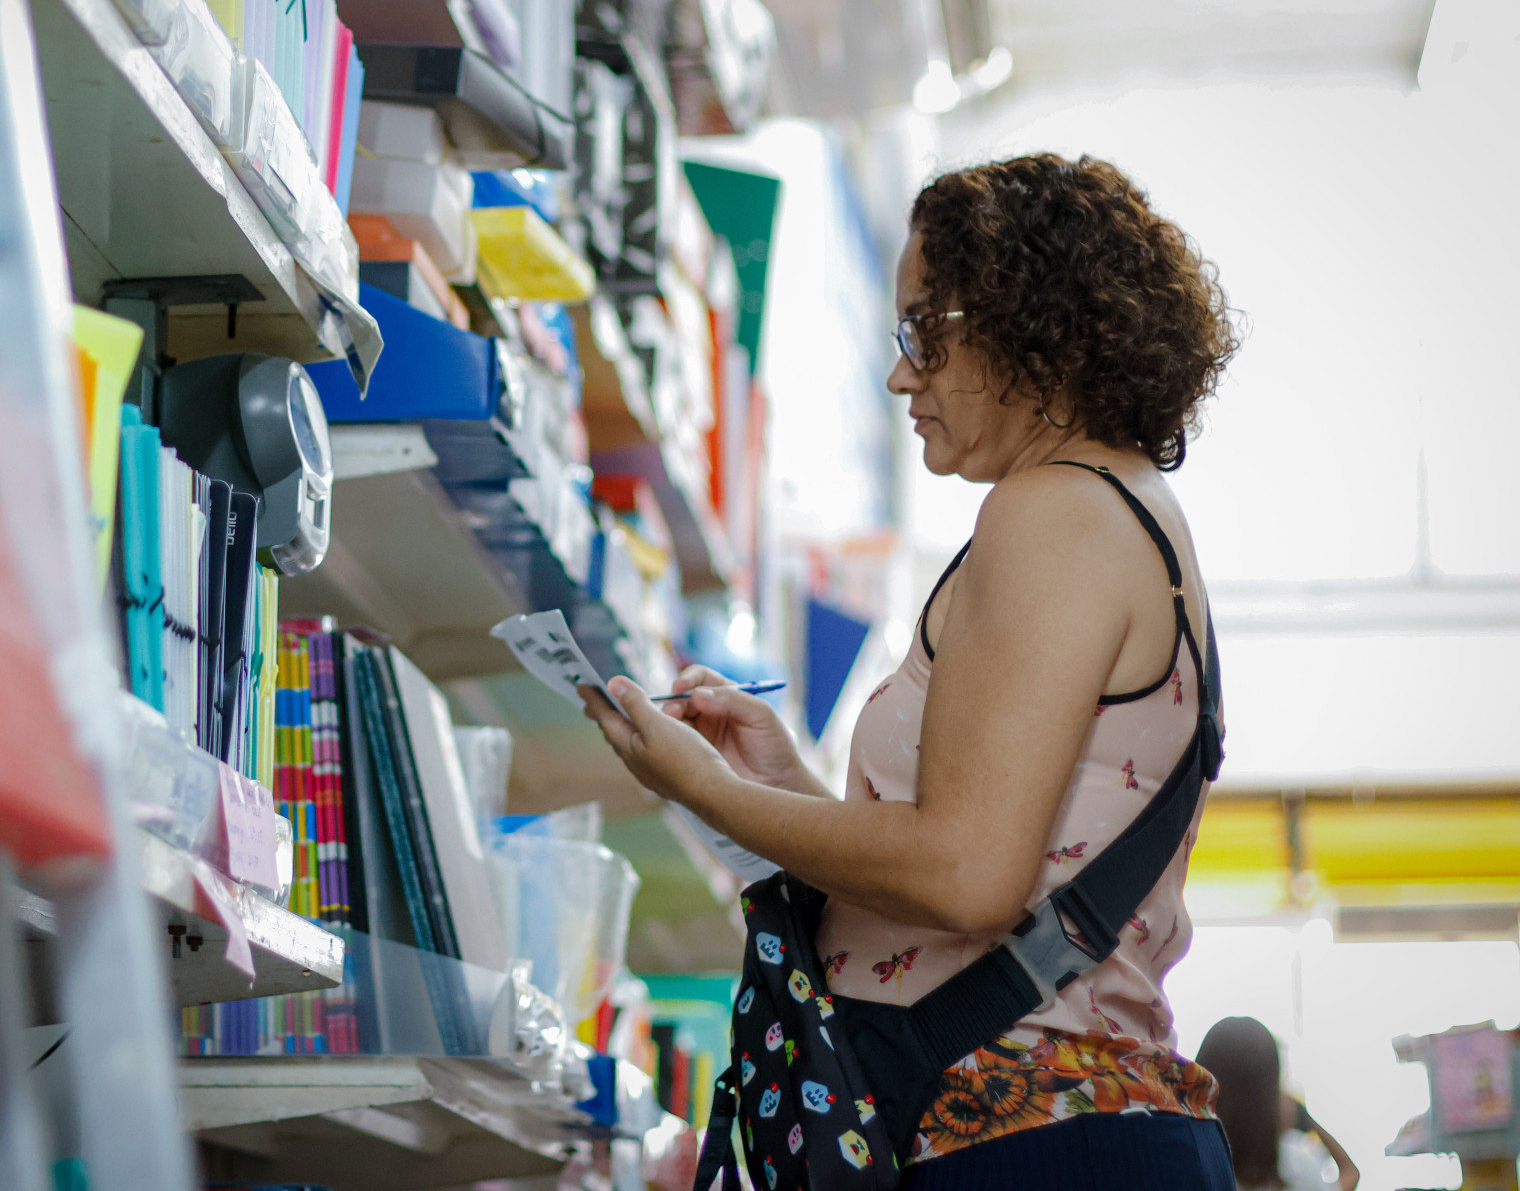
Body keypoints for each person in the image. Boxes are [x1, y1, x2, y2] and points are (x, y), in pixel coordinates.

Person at [582, 153, 1241, 1188]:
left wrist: (704, 788)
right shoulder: (1119, 511)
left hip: (1025, 1142)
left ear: (1028, 322)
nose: (902, 374)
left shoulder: (1051, 514)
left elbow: (970, 873)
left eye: (924, 330)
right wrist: (781, 784)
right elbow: (1001, 854)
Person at [1195, 1016, 1362, 1190]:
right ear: (1268, 1099)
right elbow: (1351, 1172)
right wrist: (1305, 1116)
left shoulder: (1186, 1166)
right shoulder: (1295, 1165)